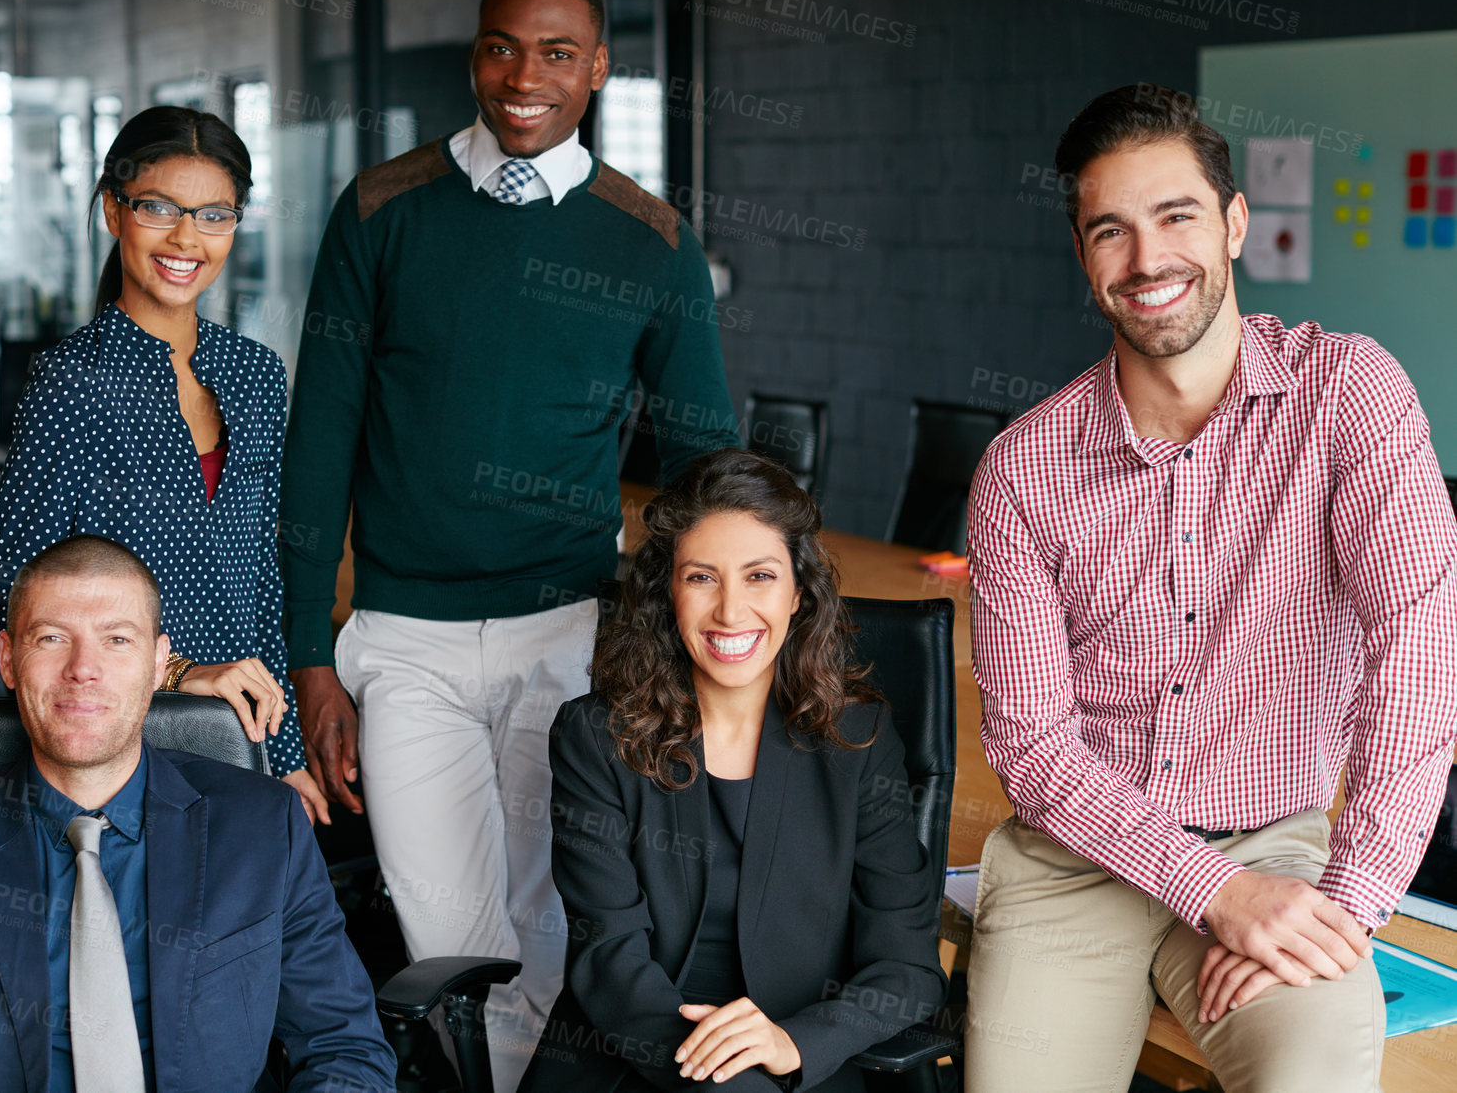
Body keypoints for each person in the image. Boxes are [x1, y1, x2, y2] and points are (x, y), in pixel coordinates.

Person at [278, 0, 741, 1088]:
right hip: (401, 637)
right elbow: (318, 445)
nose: (521, 75)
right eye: (500, 47)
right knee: (447, 934)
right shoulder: (382, 208)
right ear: (474, 56)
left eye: (553, 52)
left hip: (568, 639)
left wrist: (689, 654)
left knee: (552, 926)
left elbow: (702, 468)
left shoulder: (649, 237)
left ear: (597, 67)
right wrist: (307, 658)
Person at [963, 82, 1457, 1092]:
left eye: (1175, 215)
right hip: (1072, 860)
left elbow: (1416, 657)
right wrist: (1209, 889)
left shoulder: (1348, 397)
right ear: (1082, 254)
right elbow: (1031, 742)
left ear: (1234, 223)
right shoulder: (1021, 468)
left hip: (1277, 843)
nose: (1146, 261)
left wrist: (1345, 899)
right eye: (1111, 231)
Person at [0, 534, 397, 1092]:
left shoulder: (266, 828)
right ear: (8, 659)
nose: (83, 668)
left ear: (160, 663)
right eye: (51, 637)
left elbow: (344, 1046)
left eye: (117, 639)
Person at [518, 448, 947, 1093]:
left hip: (796, 1056)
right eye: (701, 577)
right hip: (632, 1052)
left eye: (759, 577)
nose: (730, 612)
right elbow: (608, 953)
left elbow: (908, 968)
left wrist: (792, 1042)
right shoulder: (595, 737)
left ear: (800, 593)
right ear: (668, 590)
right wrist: (714, 1072)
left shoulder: (857, 740)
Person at [0, 105, 327, 821]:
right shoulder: (73, 383)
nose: (186, 238)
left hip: (240, 737)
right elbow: (3, 599)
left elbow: (259, 584)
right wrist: (180, 671)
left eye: (215, 215)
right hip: (112, 736)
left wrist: (284, 755)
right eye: (159, 208)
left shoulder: (255, 375)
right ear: (114, 210)